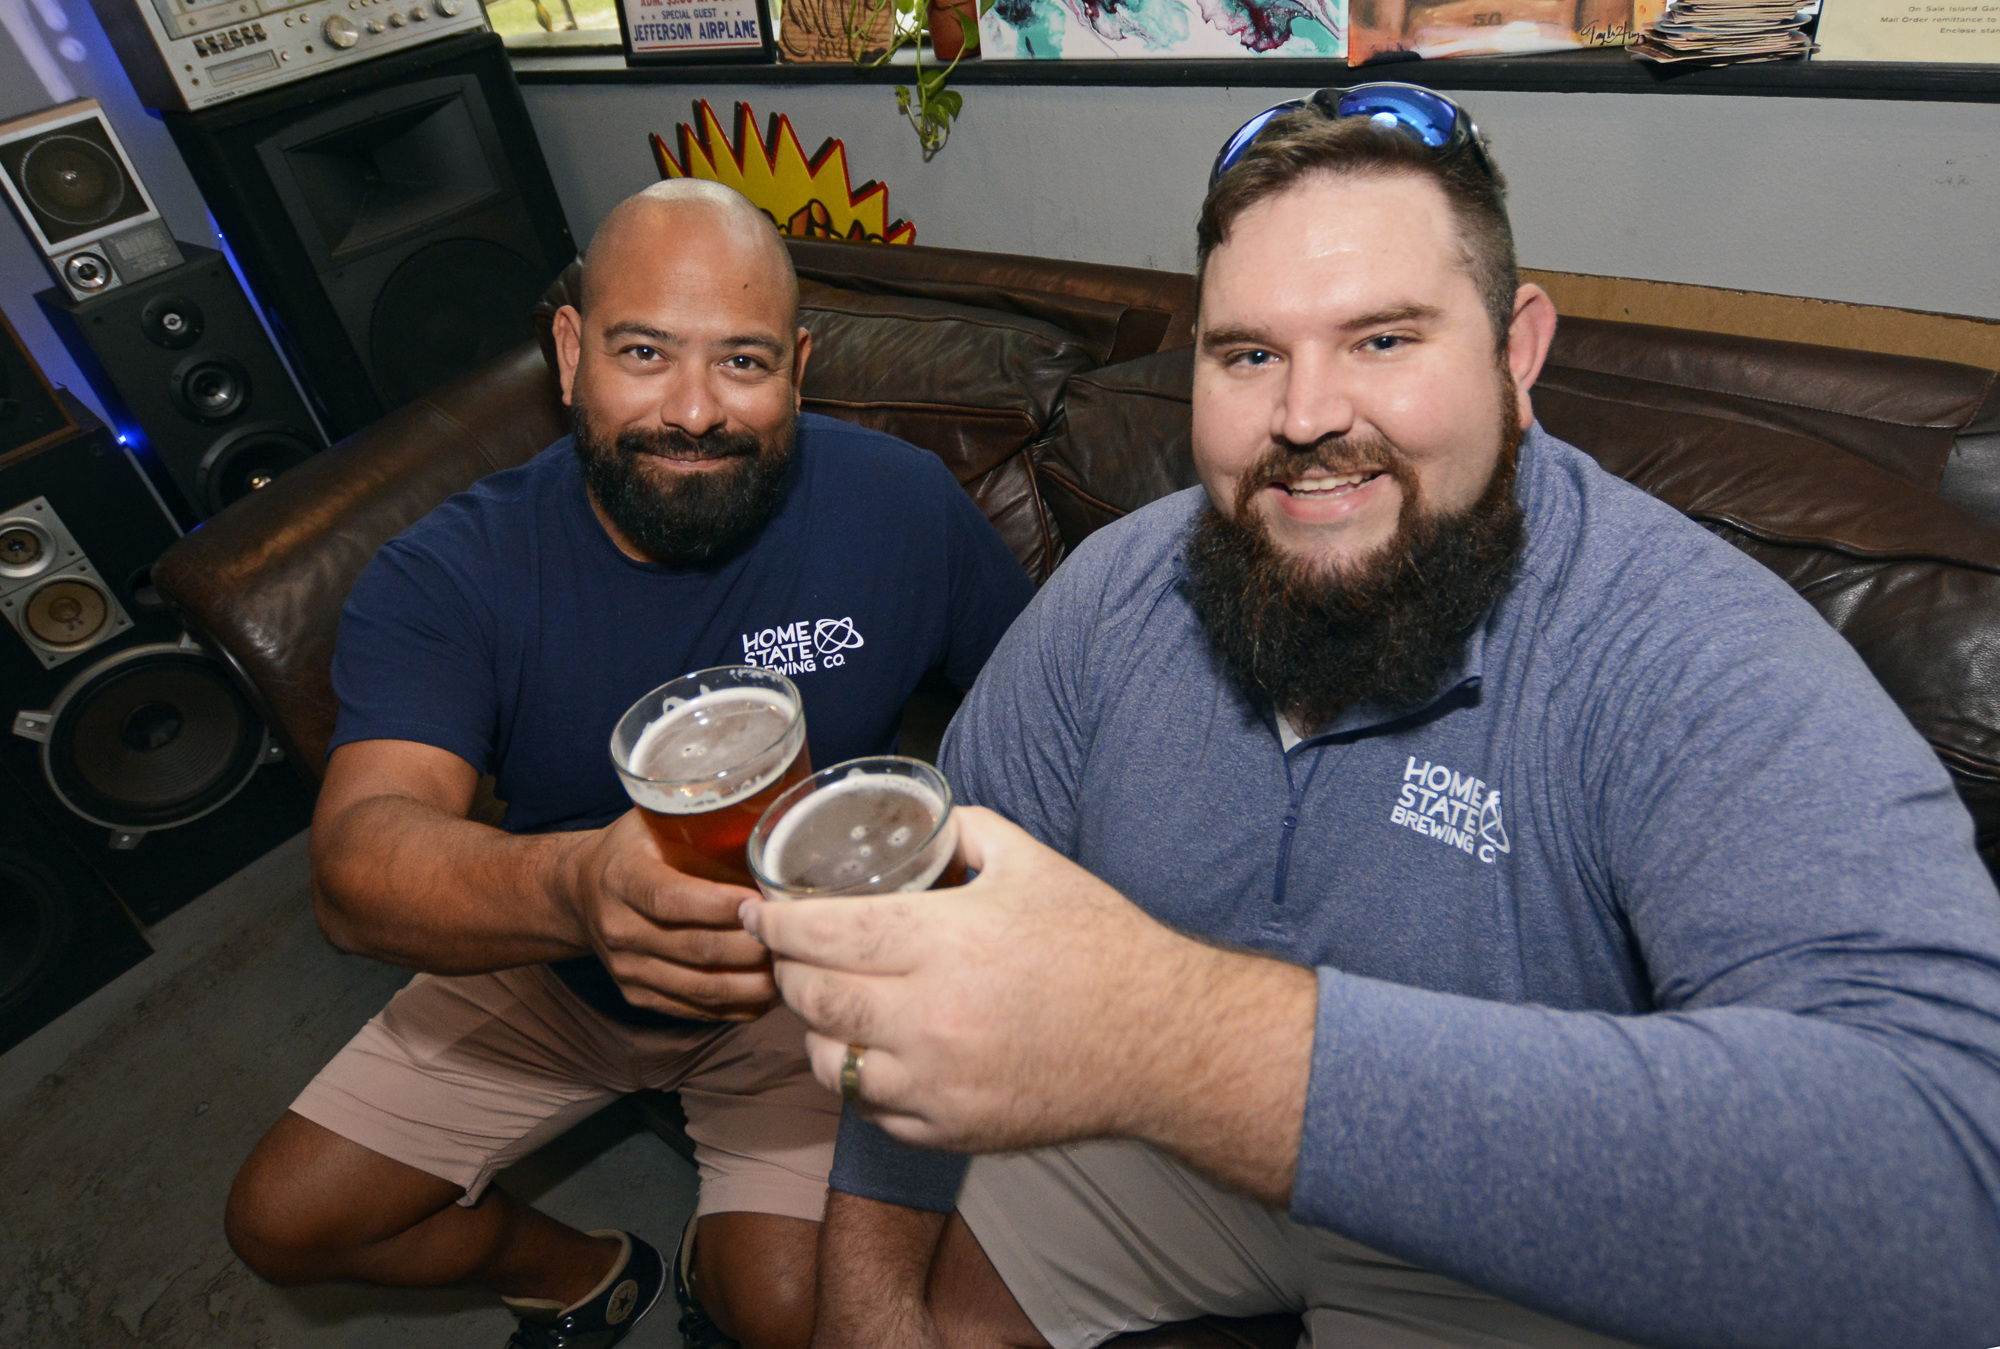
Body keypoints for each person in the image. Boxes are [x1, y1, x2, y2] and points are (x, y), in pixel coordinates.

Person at [744, 87, 2000, 1349]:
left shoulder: (1681, 648)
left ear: (1516, 350)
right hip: (1151, 1134)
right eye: (1247, 354)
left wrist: (1165, 1033)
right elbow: (915, 974)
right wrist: (865, 1309)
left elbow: (1951, 1180)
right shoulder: (1112, 598)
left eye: (1383, 340)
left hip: (1508, 1210)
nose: (1303, 417)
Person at [220, 179, 1036, 1349]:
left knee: (785, 1311)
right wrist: (574, 890)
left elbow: (1042, 710)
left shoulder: (901, 505)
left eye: (743, 362)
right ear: (569, 353)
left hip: (792, 984)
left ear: (798, 368)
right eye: (644, 352)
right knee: (286, 1221)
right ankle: (580, 1269)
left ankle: (717, 1264)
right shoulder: (446, 573)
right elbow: (357, 862)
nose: (694, 410)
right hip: (546, 956)